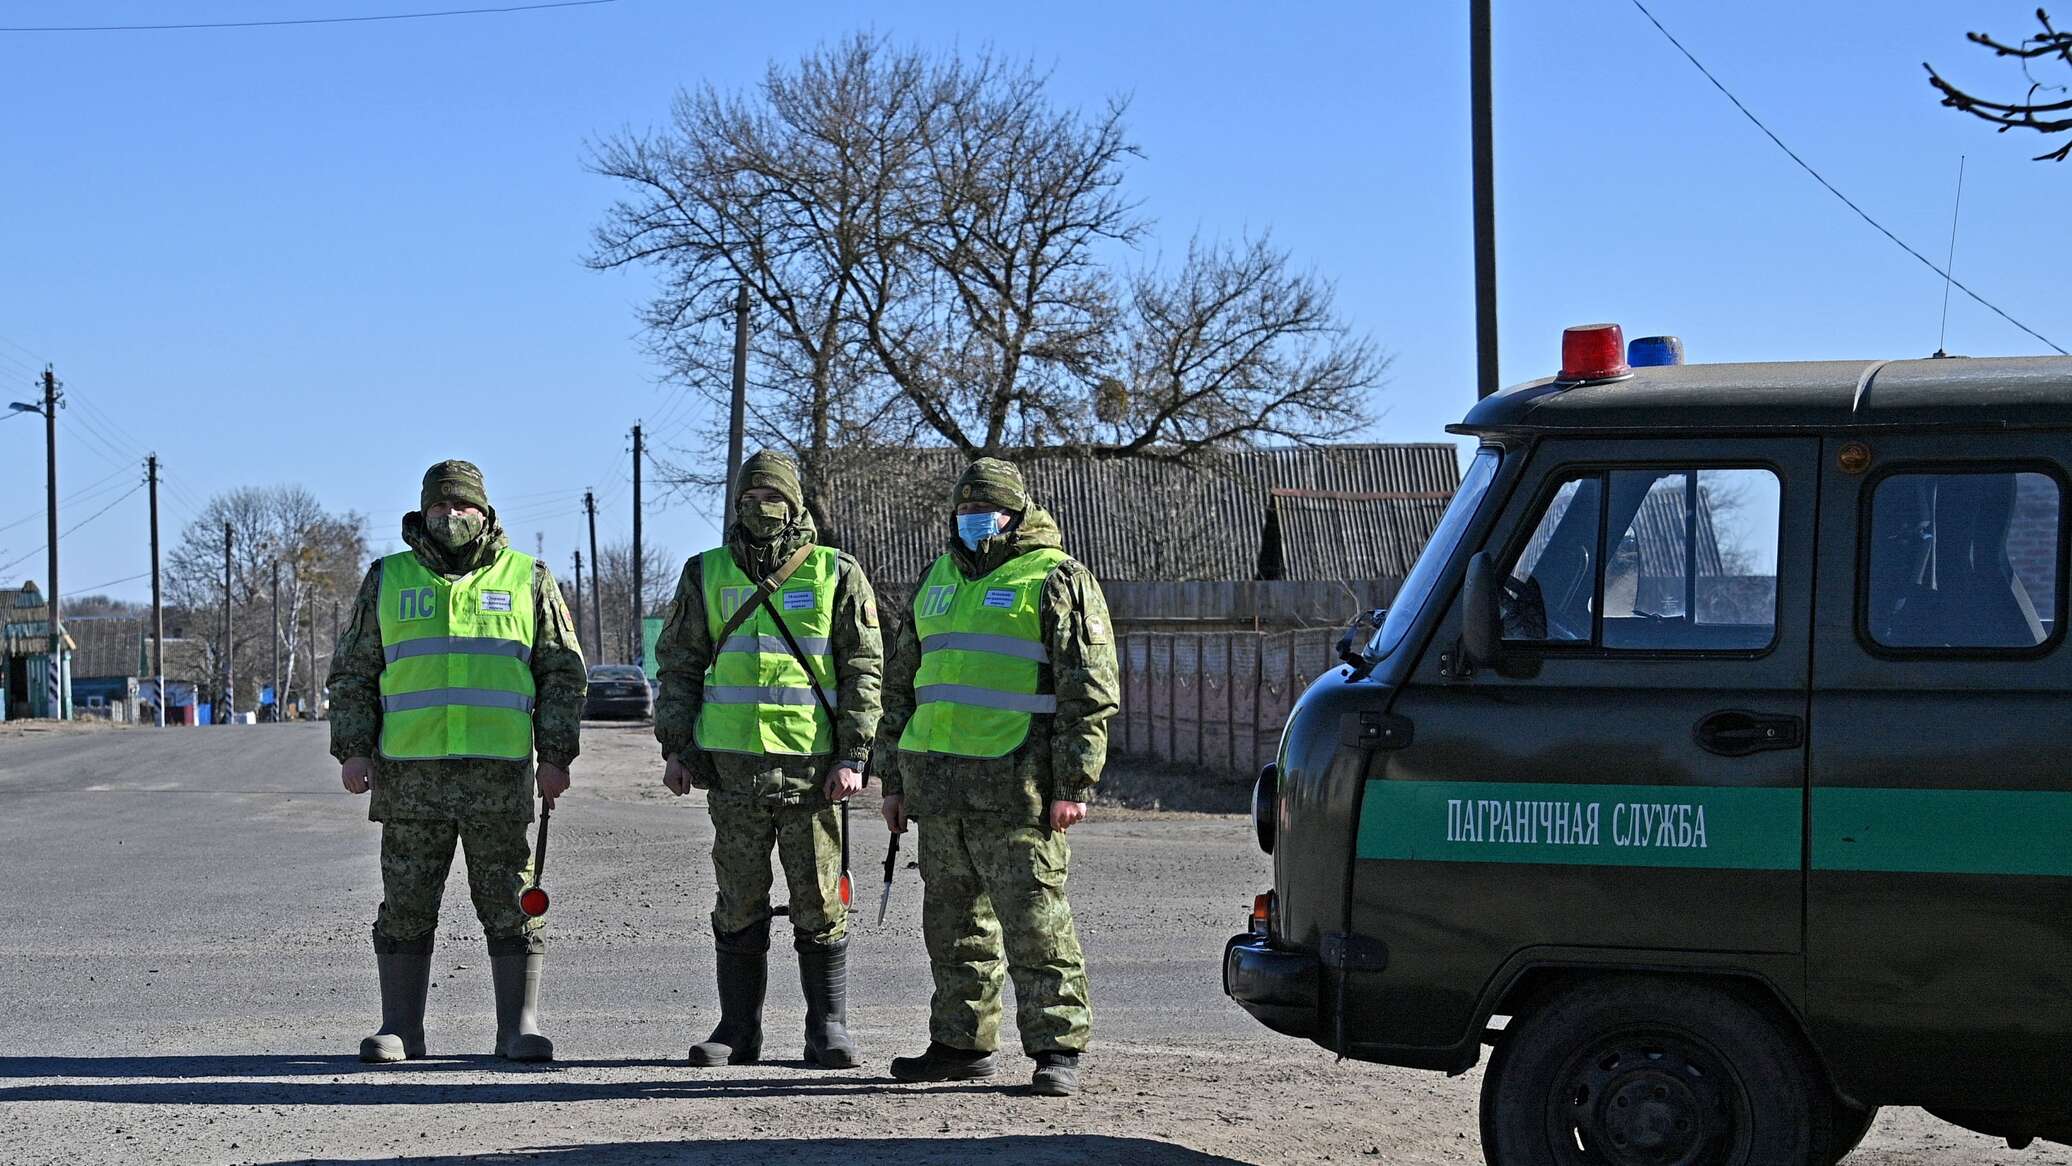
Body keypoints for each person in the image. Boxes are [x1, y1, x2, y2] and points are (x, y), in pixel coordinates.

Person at [329, 459, 587, 1063]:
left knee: (509, 897)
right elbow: (354, 673)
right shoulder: (387, 578)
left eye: (462, 506)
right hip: (410, 776)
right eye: (439, 507)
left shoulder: (530, 578)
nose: (450, 517)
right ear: (422, 512)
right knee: (407, 901)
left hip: (498, 776)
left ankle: (518, 1028)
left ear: (485, 512)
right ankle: (401, 1029)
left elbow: (562, 674)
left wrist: (556, 756)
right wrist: (354, 749)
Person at [876, 457, 1119, 1097]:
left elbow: (1088, 692)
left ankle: (1056, 1049)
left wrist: (1075, 784)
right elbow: (900, 688)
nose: (973, 520)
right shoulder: (936, 579)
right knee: (953, 929)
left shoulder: (1057, 578)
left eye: (986, 509)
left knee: (1037, 923)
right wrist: (893, 781)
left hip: (1021, 790)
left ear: (1015, 514)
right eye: (963, 509)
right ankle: (961, 1044)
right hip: (939, 792)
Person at [654, 449, 883, 1068]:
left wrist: (855, 753)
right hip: (732, 768)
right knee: (738, 896)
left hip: (814, 769)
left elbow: (864, 670)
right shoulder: (704, 572)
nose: (761, 509)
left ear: (796, 503)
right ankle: (737, 1030)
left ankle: (826, 1029)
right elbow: (678, 666)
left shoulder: (837, 573)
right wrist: (675, 746)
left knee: (819, 898)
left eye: (773, 498)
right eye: (750, 499)